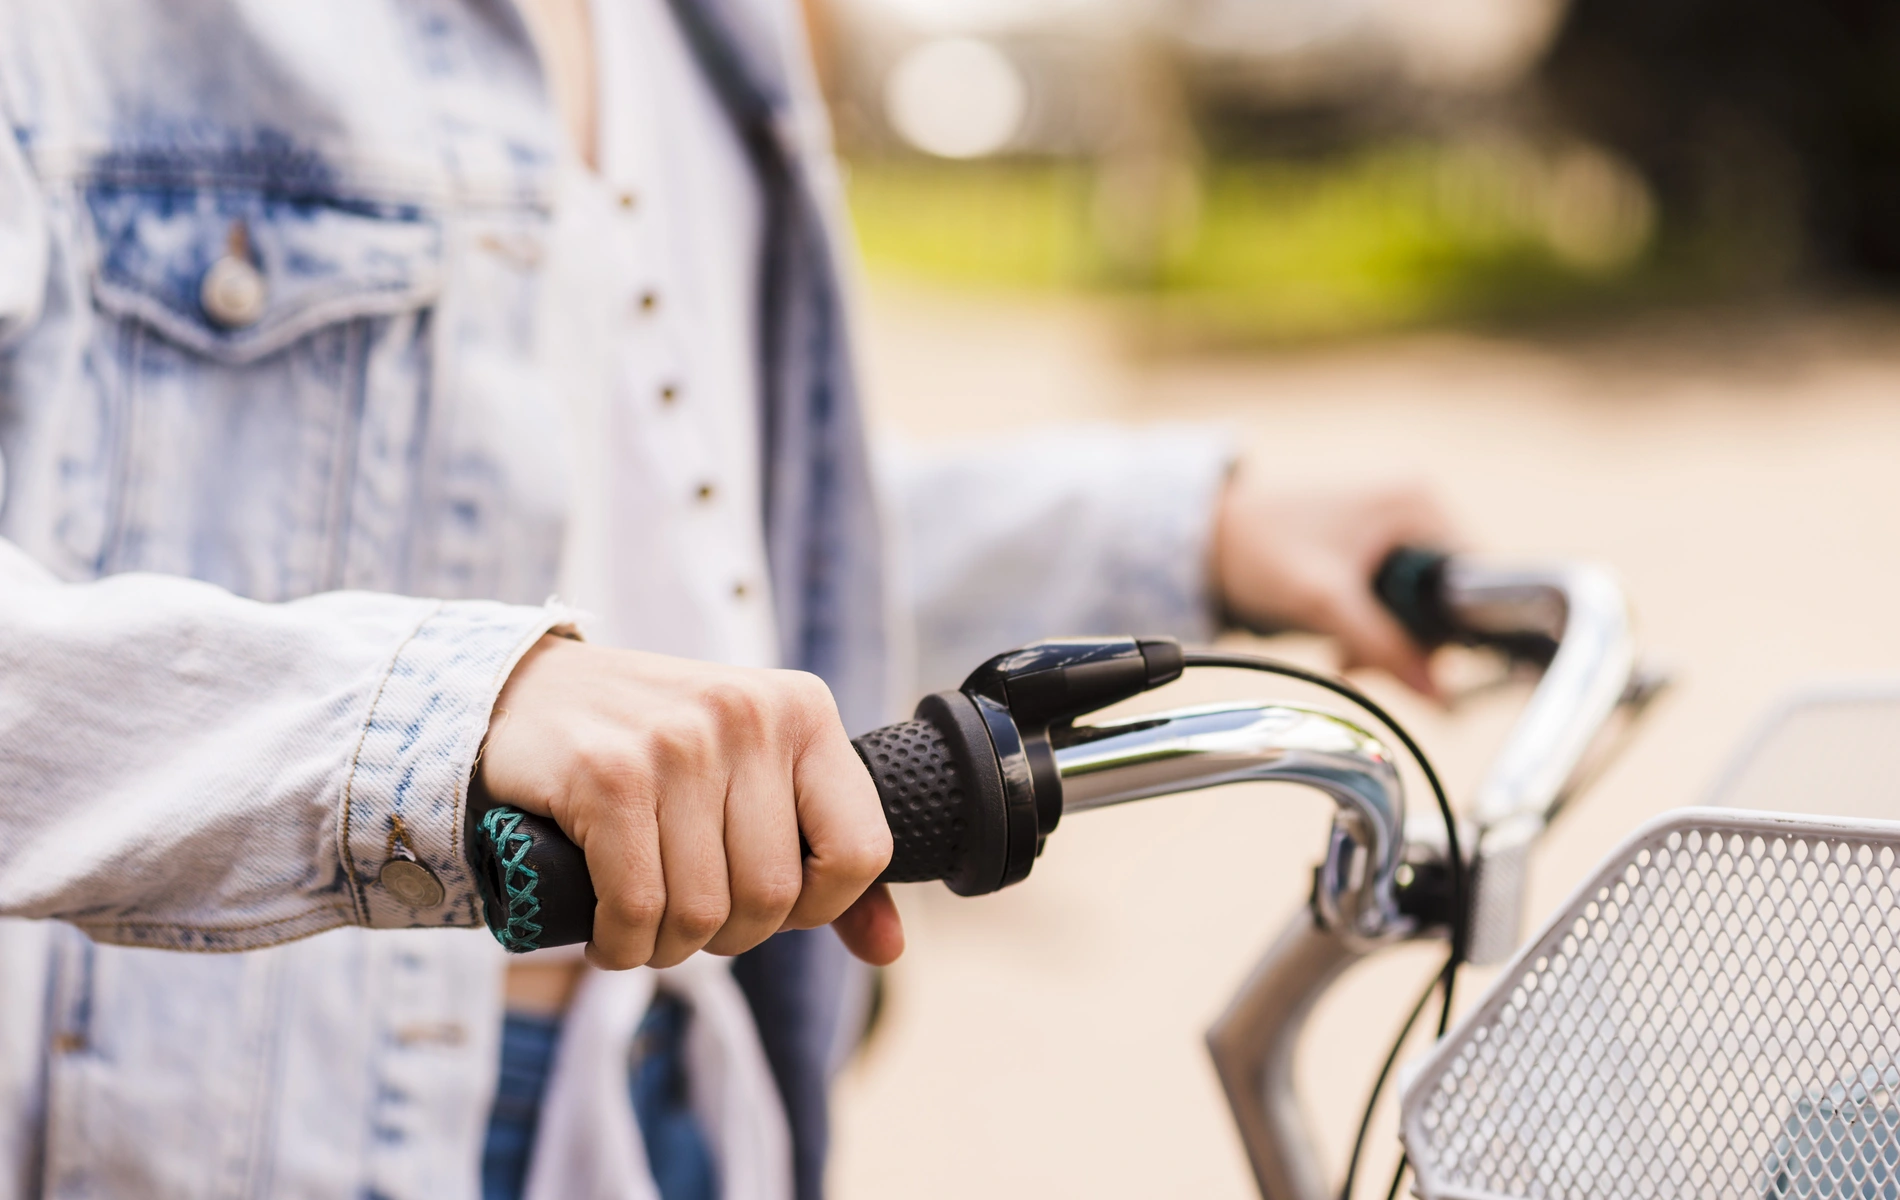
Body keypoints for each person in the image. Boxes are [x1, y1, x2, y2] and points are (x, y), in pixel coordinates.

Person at [0, 2, 1452, 1198]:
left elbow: (696, 537)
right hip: (258, 1140)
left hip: (672, 1089)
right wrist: (439, 717)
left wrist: (1191, 524)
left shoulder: (704, 33)